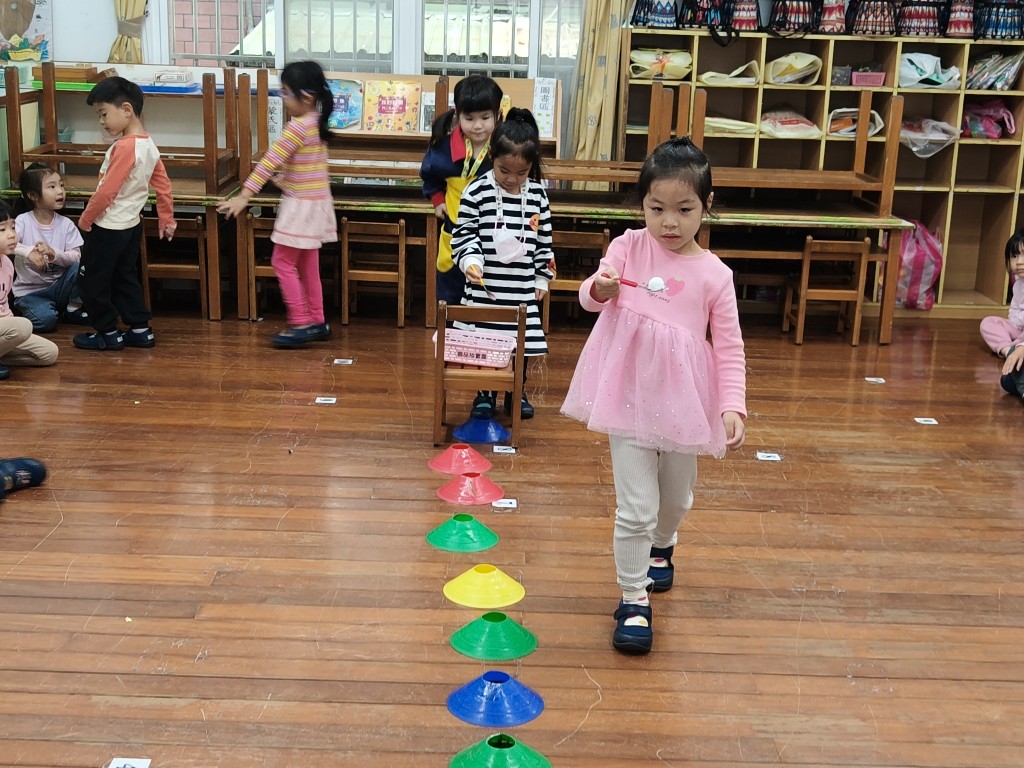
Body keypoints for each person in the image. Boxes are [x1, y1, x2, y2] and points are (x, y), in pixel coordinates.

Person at [561, 138, 747, 655]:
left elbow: (729, 346)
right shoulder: (628, 246)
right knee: (636, 509)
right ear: (641, 204)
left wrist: (732, 404)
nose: (669, 222)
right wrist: (599, 288)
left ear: (707, 206)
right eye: (656, 208)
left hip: (685, 399)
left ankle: (663, 546)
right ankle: (633, 598)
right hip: (628, 393)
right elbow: (590, 297)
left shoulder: (716, 275)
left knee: (676, 499)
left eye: (684, 210)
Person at [217, 61, 336, 348]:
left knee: (281, 262)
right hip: (316, 206)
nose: (282, 98)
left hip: (300, 209)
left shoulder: (297, 128)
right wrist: (286, 180)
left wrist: (244, 195)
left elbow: (268, 162)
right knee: (308, 266)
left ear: (305, 97)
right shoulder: (316, 123)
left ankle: (301, 322)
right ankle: (317, 321)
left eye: (285, 92)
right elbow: (309, 170)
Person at [451, 108, 554, 420]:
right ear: (492, 157)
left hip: (521, 289)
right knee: (485, 342)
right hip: (486, 288)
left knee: (520, 344)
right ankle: (485, 393)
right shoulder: (477, 191)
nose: (512, 179)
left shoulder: (538, 196)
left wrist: (542, 277)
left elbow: (545, 241)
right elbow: (464, 233)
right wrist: (470, 260)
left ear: (531, 167)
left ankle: (516, 391)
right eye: (504, 170)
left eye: (521, 173)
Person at [74, 76, 176, 351]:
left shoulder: (124, 146)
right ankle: (140, 330)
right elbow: (163, 185)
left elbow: (107, 191)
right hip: (131, 227)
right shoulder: (148, 144)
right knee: (124, 277)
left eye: (103, 113)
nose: (101, 121)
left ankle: (107, 333)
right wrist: (167, 218)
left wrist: (85, 219)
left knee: (91, 281)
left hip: (107, 227)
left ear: (127, 109)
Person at [420, 75, 504, 307]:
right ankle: (449, 329)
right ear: (458, 114)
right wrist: (438, 200)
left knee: (489, 295)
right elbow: (429, 174)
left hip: (493, 234)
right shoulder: (443, 147)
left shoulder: (504, 147)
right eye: (469, 118)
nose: (477, 126)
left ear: (498, 114)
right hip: (455, 231)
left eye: (485, 118)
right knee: (451, 296)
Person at [12, 163, 87, 333]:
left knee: (82, 266)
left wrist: (55, 254)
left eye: (61, 185)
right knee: (46, 321)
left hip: (60, 288)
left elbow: (76, 257)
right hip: (30, 293)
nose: (60, 191)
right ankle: (37, 310)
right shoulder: (23, 221)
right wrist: (28, 252)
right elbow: (6, 243)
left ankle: (72, 309)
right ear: (33, 195)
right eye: (52, 187)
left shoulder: (66, 224)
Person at [0, 201, 59, 379]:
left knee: (49, 353)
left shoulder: (7, 264)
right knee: (23, 326)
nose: (12, 235)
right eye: (2, 229)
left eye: (13, 227)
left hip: (4, 327)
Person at [980, 229, 1024, 398]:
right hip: (1018, 330)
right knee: (988, 323)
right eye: (1014, 256)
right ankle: (1008, 351)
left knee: (1007, 381)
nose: (1019, 262)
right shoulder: (1018, 283)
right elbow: (1015, 309)